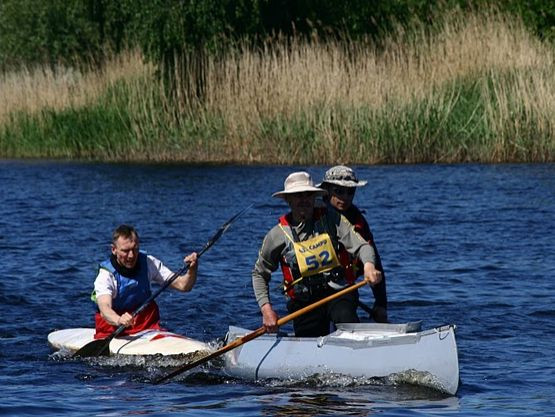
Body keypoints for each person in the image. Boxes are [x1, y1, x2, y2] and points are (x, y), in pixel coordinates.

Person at [252, 171, 382, 337]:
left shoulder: (332, 219)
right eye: (298, 196)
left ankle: (355, 346)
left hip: (338, 292)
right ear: (288, 200)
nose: (304, 200)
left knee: (345, 316)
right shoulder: (277, 235)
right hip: (304, 302)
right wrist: (266, 309)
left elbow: (363, 246)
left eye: (308, 195)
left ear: (315, 198)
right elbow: (259, 274)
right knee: (308, 334)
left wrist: (369, 266)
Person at [92, 224, 198, 339]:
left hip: (146, 324)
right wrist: (119, 319)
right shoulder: (106, 275)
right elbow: (104, 308)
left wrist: (192, 269)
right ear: (114, 249)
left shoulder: (148, 263)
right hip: (113, 328)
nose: (131, 255)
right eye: (125, 251)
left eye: (135, 249)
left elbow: (183, 286)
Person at [318, 165, 388, 323]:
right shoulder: (312, 214)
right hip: (312, 293)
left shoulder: (358, 221)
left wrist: (380, 304)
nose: (345, 197)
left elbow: (375, 261)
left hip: (343, 291)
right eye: (339, 191)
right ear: (326, 190)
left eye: (350, 192)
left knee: (345, 316)